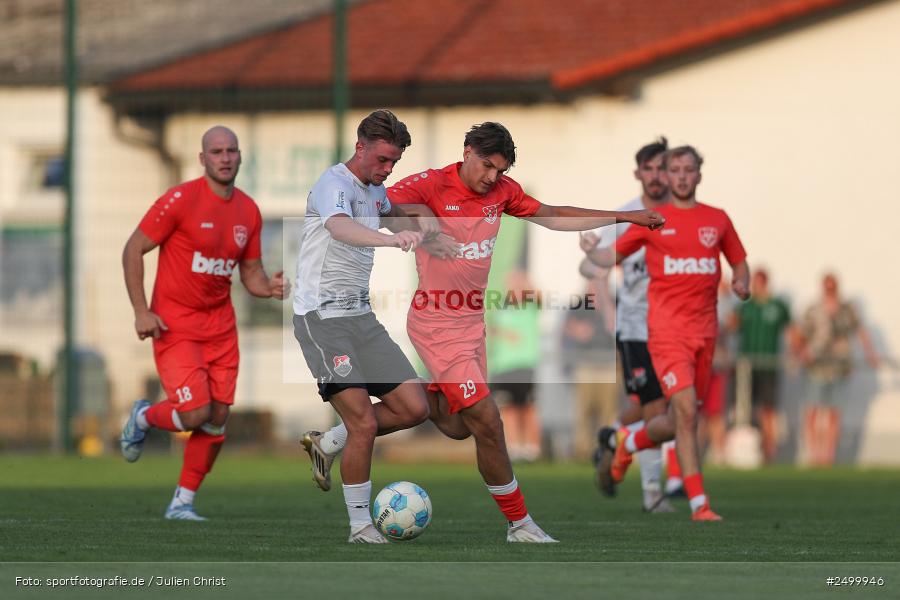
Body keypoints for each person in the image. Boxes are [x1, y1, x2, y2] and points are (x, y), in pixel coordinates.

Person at [120, 126, 289, 520]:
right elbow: (133, 249)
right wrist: (141, 311)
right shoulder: (180, 200)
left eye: (231, 150)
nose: (225, 157)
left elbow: (250, 275)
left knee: (215, 419)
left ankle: (182, 503)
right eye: (217, 151)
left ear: (240, 157)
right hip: (175, 324)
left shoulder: (248, 211)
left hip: (220, 327)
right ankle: (144, 417)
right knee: (194, 413)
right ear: (203, 159)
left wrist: (270, 287)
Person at [293, 109, 439, 544]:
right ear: (360, 147)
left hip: (361, 318)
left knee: (415, 408)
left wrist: (423, 218)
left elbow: (394, 206)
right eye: (382, 160)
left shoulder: (375, 192)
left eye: (394, 162)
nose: (388, 169)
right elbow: (340, 228)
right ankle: (360, 526)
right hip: (322, 321)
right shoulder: (332, 184)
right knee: (366, 425)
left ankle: (328, 443)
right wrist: (392, 238)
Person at [587, 145, 749, 521]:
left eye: (687, 169)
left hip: (705, 333)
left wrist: (742, 282)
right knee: (685, 413)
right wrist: (593, 249)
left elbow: (740, 263)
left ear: (698, 175)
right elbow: (609, 259)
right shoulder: (653, 221)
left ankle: (628, 440)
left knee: (682, 417)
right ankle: (698, 504)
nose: (679, 176)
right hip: (665, 334)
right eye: (673, 169)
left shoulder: (717, 220)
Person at [580, 137, 675, 512]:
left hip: (674, 329)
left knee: (671, 404)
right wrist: (608, 313)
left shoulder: (682, 214)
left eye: (661, 168)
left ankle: (613, 436)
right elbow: (594, 269)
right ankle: (653, 493)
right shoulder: (626, 216)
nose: (655, 175)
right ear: (638, 173)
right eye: (648, 168)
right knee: (656, 407)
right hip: (636, 328)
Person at [794, 272, 879, 466]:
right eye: (827, 286)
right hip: (816, 368)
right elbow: (800, 334)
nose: (830, 290)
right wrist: (799, 352)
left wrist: (870, 354)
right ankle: (814, 454)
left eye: (833, 286)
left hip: (839, 368)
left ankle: (828, 456)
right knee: (813, 411)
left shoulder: (847, 310)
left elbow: (860, 331)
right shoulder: (813, 309)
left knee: (834, 413)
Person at [733, 268, 792, 464]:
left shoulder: (777, 306)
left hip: (768, 366)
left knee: (767, 410)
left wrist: (797, 352)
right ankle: (749, 451)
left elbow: (792, 331)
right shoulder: (746, 306)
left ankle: (769, 450)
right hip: (747, 368)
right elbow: (730, 325)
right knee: (747, 408)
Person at [561, 271, 618, 461]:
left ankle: (607, 449)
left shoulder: (613, 302)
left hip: (609, 366)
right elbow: (568, 329)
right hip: (585, 365)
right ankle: (583, 451)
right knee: (584, 411)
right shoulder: (579, 305)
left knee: (608, 410)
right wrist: (577, 332)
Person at [487, 269, 543, 462]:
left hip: (525, 365)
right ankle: (514, 448)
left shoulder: (530, 306)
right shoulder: (501, 308)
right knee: (508, 408)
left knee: (528, 407)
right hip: (503, 367)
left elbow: (538, 295)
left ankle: (532, 449)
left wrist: (523, 281)